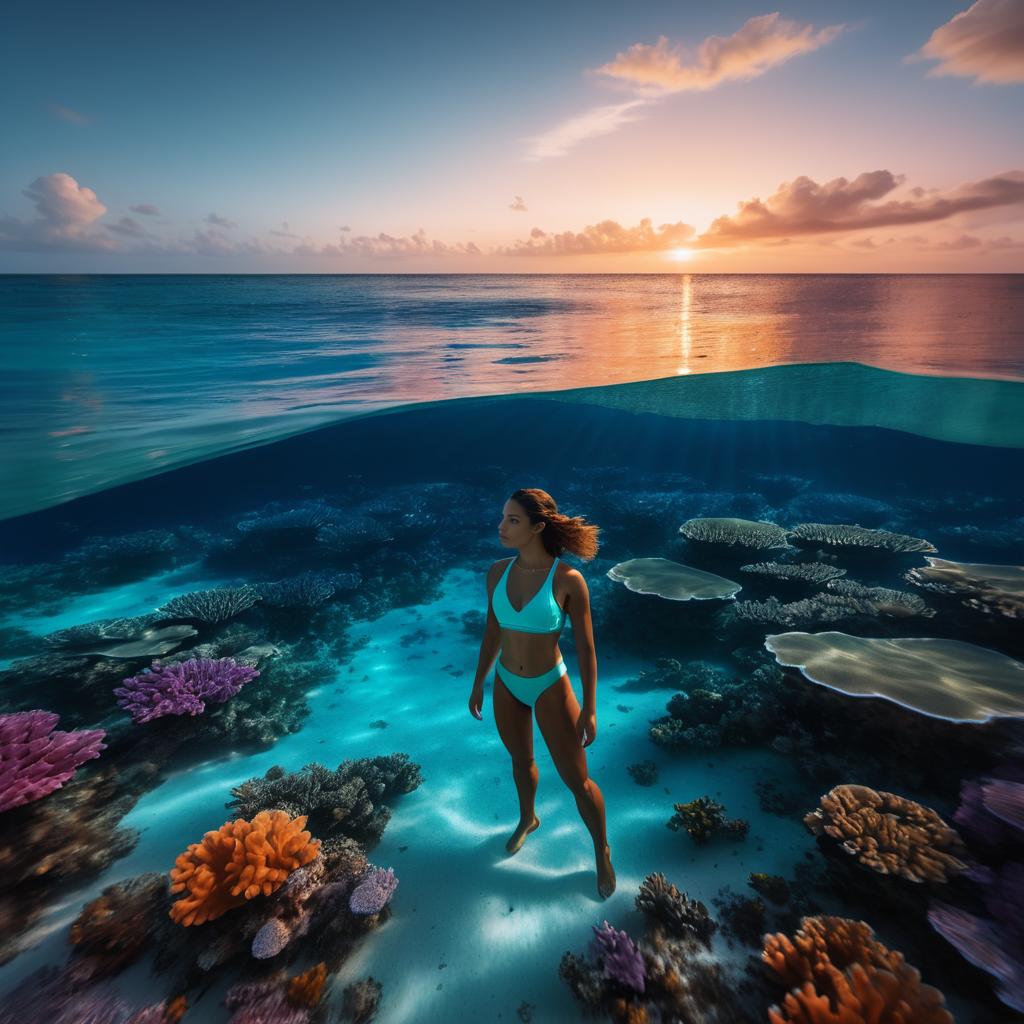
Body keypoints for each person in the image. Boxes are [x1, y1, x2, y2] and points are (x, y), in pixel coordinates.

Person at [468, 487, 616, 899]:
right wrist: (478, 681)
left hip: (550, 684)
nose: (501, 526)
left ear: (537, 527)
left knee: (578, 781)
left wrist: (589, 708)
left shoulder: (569, 580)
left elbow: (587, 650)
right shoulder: (496, 572)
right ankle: (528, 819)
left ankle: (601, 849)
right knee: (521, 762)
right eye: (502, 517)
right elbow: (492, 631)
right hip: (506, 685)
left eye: (512, 520)